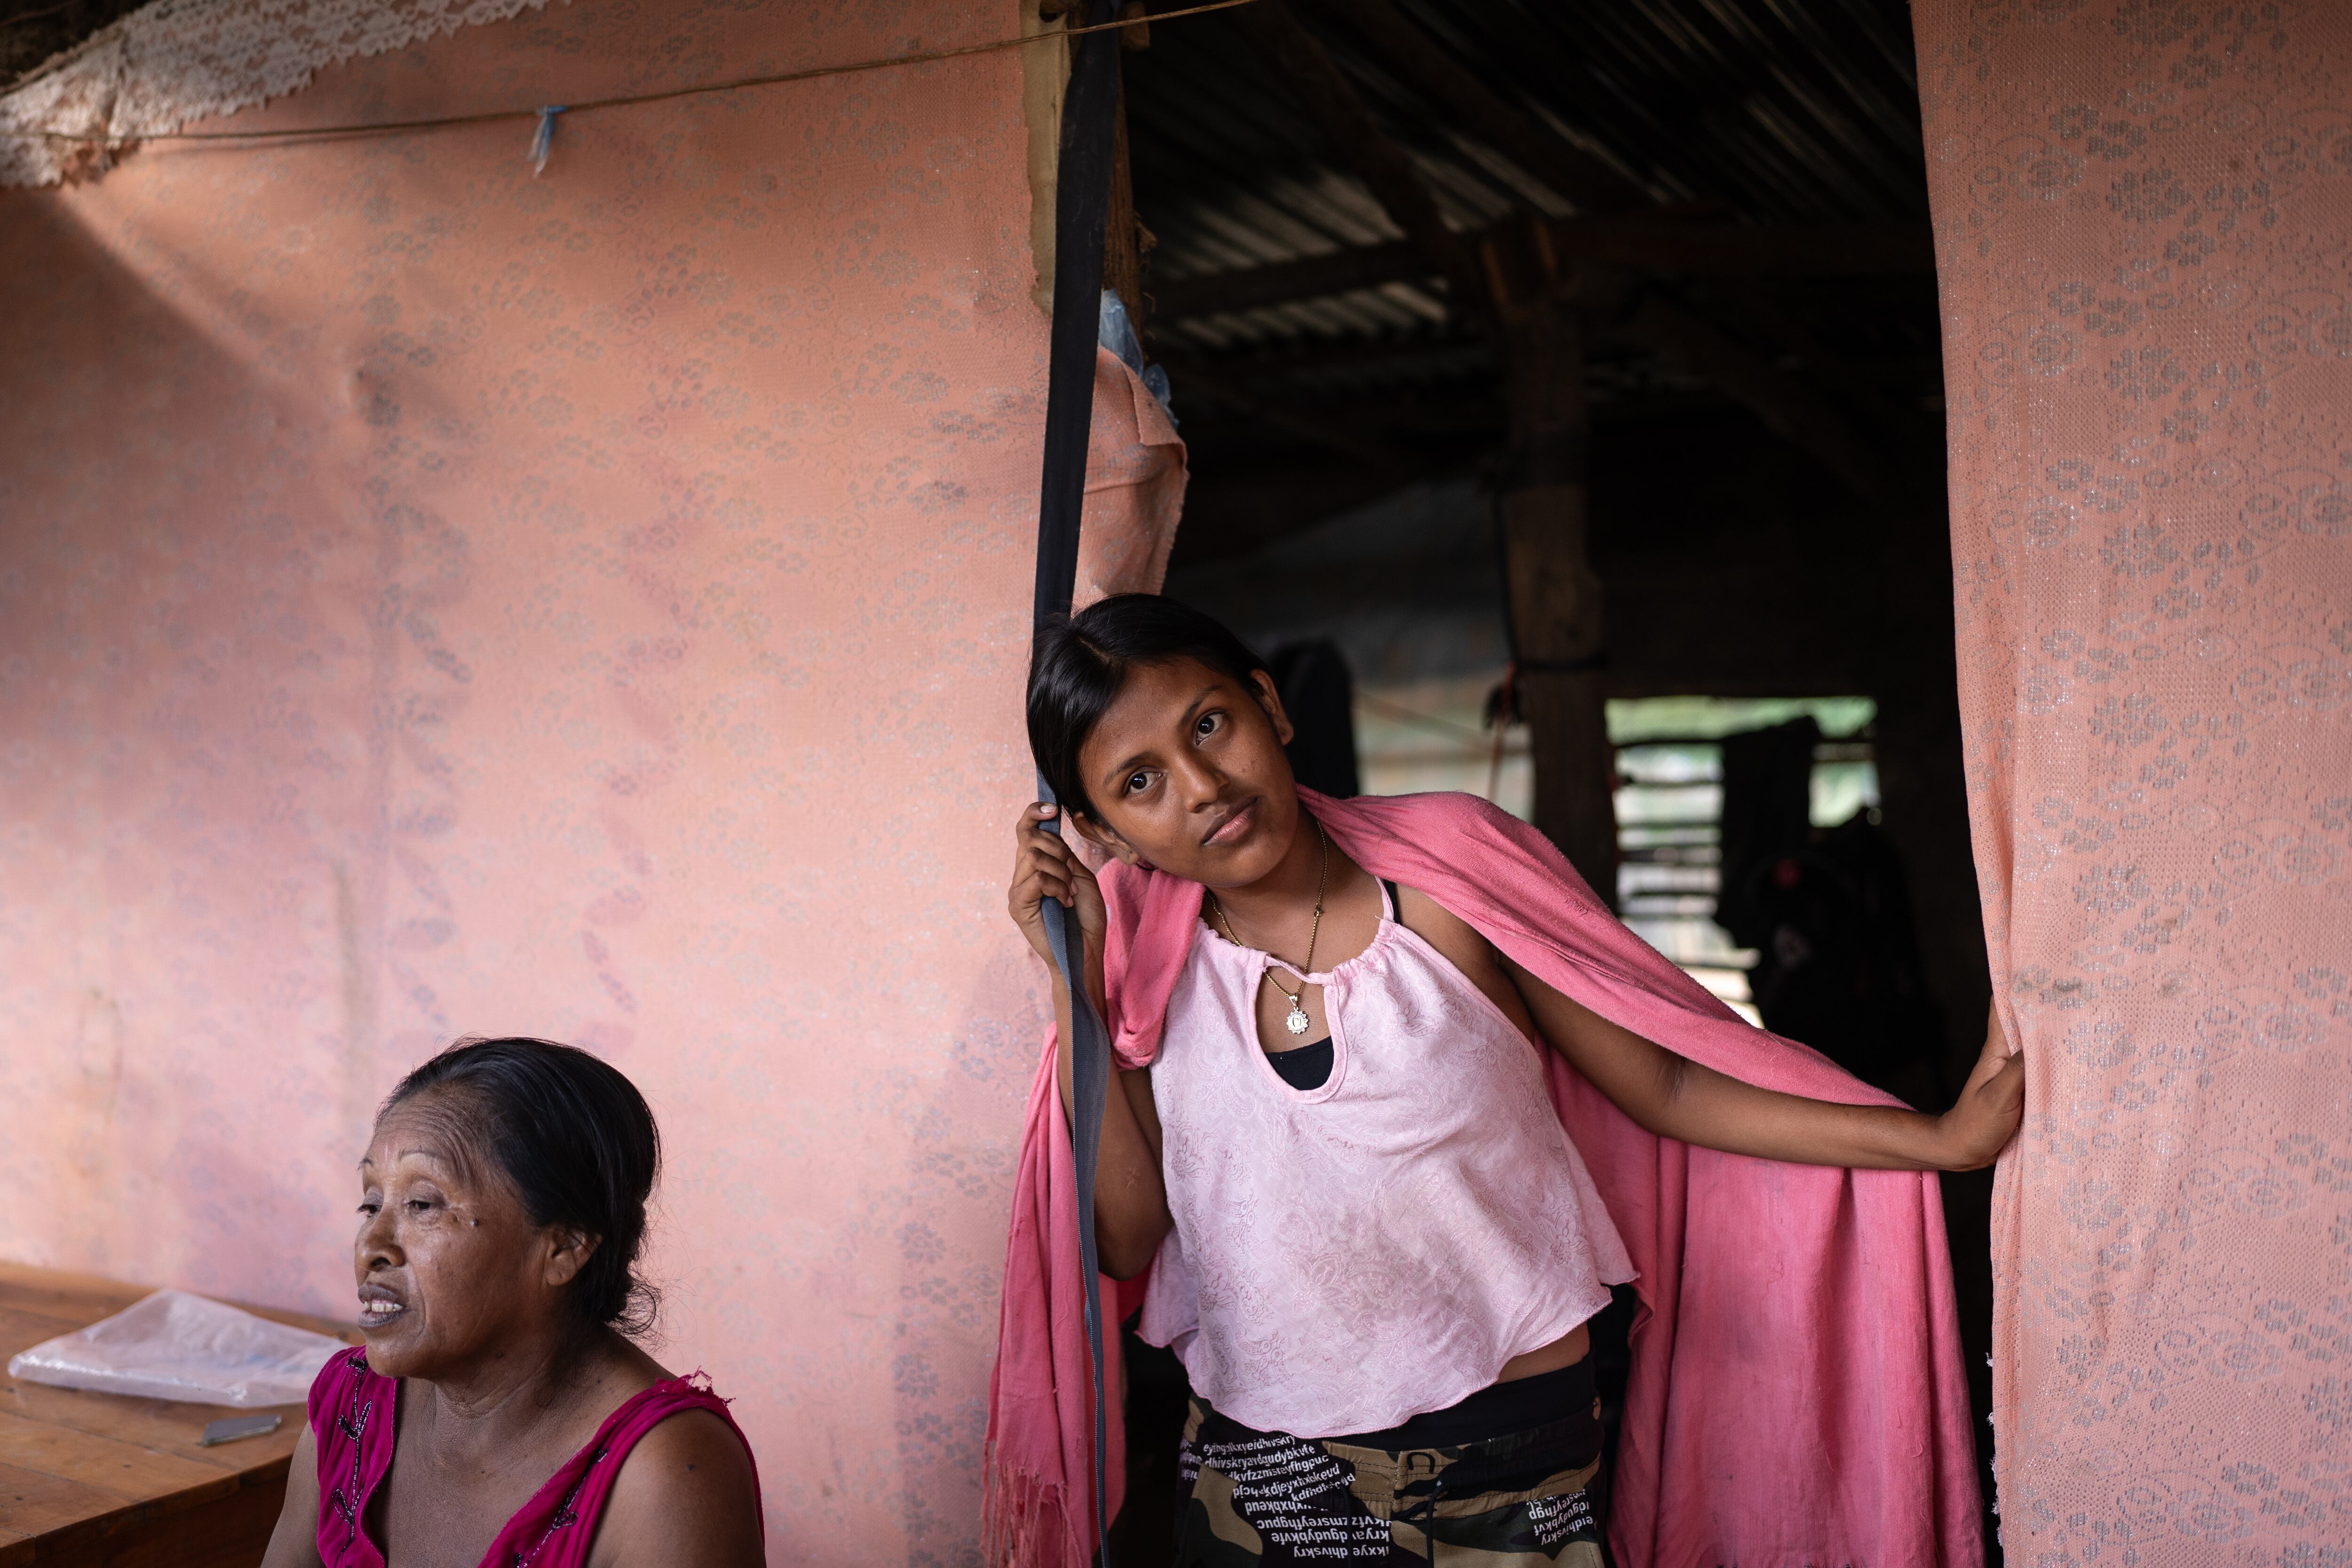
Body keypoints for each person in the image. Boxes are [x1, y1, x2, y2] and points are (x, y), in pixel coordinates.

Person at [999, 595, 2022, 1567]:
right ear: (1100, 832)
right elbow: (1127, 1235)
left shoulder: (1449, 872)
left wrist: (1939, 1140)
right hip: (1259, 1464)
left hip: (1508, 1458)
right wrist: (1072, 986)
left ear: (1269, 706)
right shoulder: (1132, 957)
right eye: (1138, 781)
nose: (1199, 784)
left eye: (1210, 724)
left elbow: (1663, 1082)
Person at [262, 1038, 765, 1568]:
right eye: (371, 1204)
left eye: (421, 1204)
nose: (372, 1246)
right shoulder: (352, 1408)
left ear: (564, 1247)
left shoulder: (662, 1474)